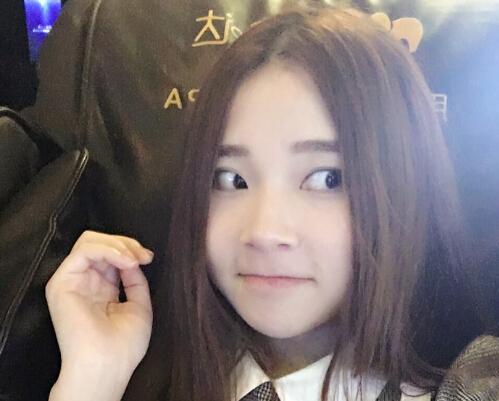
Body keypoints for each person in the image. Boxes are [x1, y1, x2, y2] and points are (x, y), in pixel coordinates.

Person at [44, 5, 484, 401]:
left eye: (327, 178)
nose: (264, 231)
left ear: (404, 189)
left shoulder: (467, 386)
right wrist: (93, 379)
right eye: (231, 179)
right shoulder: (147, 373)